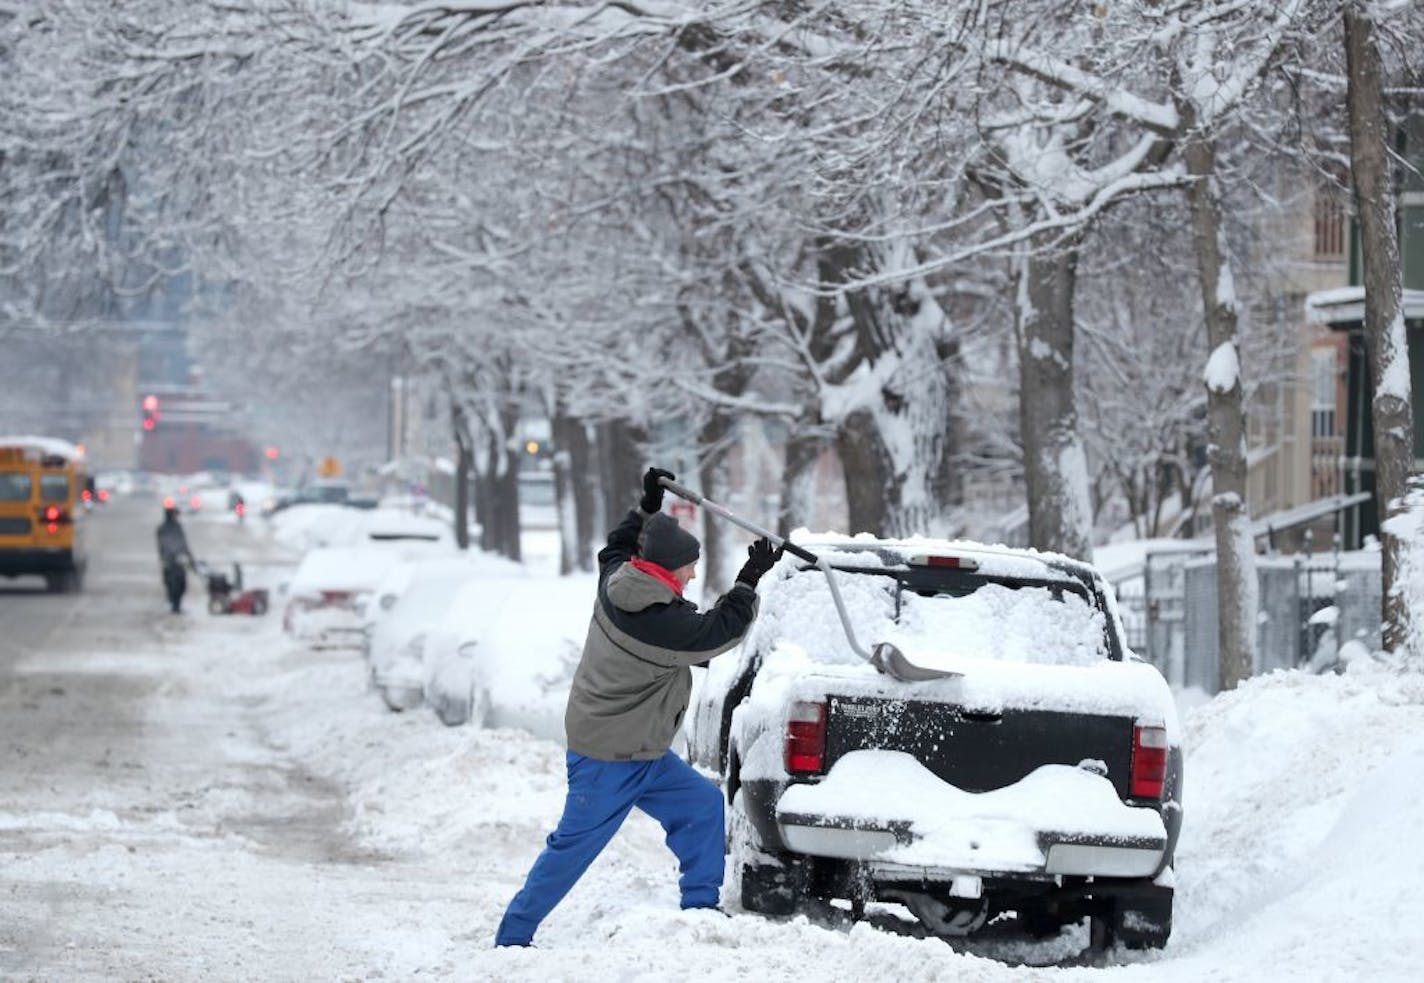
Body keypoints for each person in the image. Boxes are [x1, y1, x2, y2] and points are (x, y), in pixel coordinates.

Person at [494, 467, 782, 948]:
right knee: (572, 848)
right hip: (607, 756)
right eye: (690, 567)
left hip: (641, 750)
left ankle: (699, 907)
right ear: (668, 572)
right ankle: (513, 936)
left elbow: (616, 544)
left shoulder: (617, 579)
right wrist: (749, 578)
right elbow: (721, 632)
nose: (693, 575)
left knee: (702, 805)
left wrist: (647, 505)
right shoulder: (658, 623)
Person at [156, 502, 194, 614]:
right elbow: (164, 545)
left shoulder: (177, 527)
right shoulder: (164, 529)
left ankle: (176, 605)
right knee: (172, 585)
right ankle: (174, 605)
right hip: (170, 562)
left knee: (181, 585)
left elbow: (184, 544)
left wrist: (190, 557)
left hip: (178, 561)